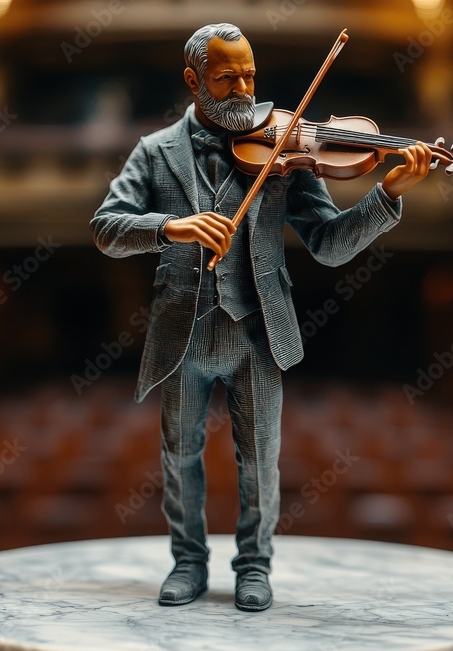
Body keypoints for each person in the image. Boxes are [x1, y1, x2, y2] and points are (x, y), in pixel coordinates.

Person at [90, 23, 431, 612]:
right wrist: (169, 228)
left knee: (260, 458)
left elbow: (327, 243)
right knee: (179, 455)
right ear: (194, 80)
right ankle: (188, 563)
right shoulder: (153, 152)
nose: (246, 89)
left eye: (251, 74)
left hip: (257, 329)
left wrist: (386, 196)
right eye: (227, 78)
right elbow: (106, 228)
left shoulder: (286, 148)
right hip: (182, 332)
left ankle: (254, 567)